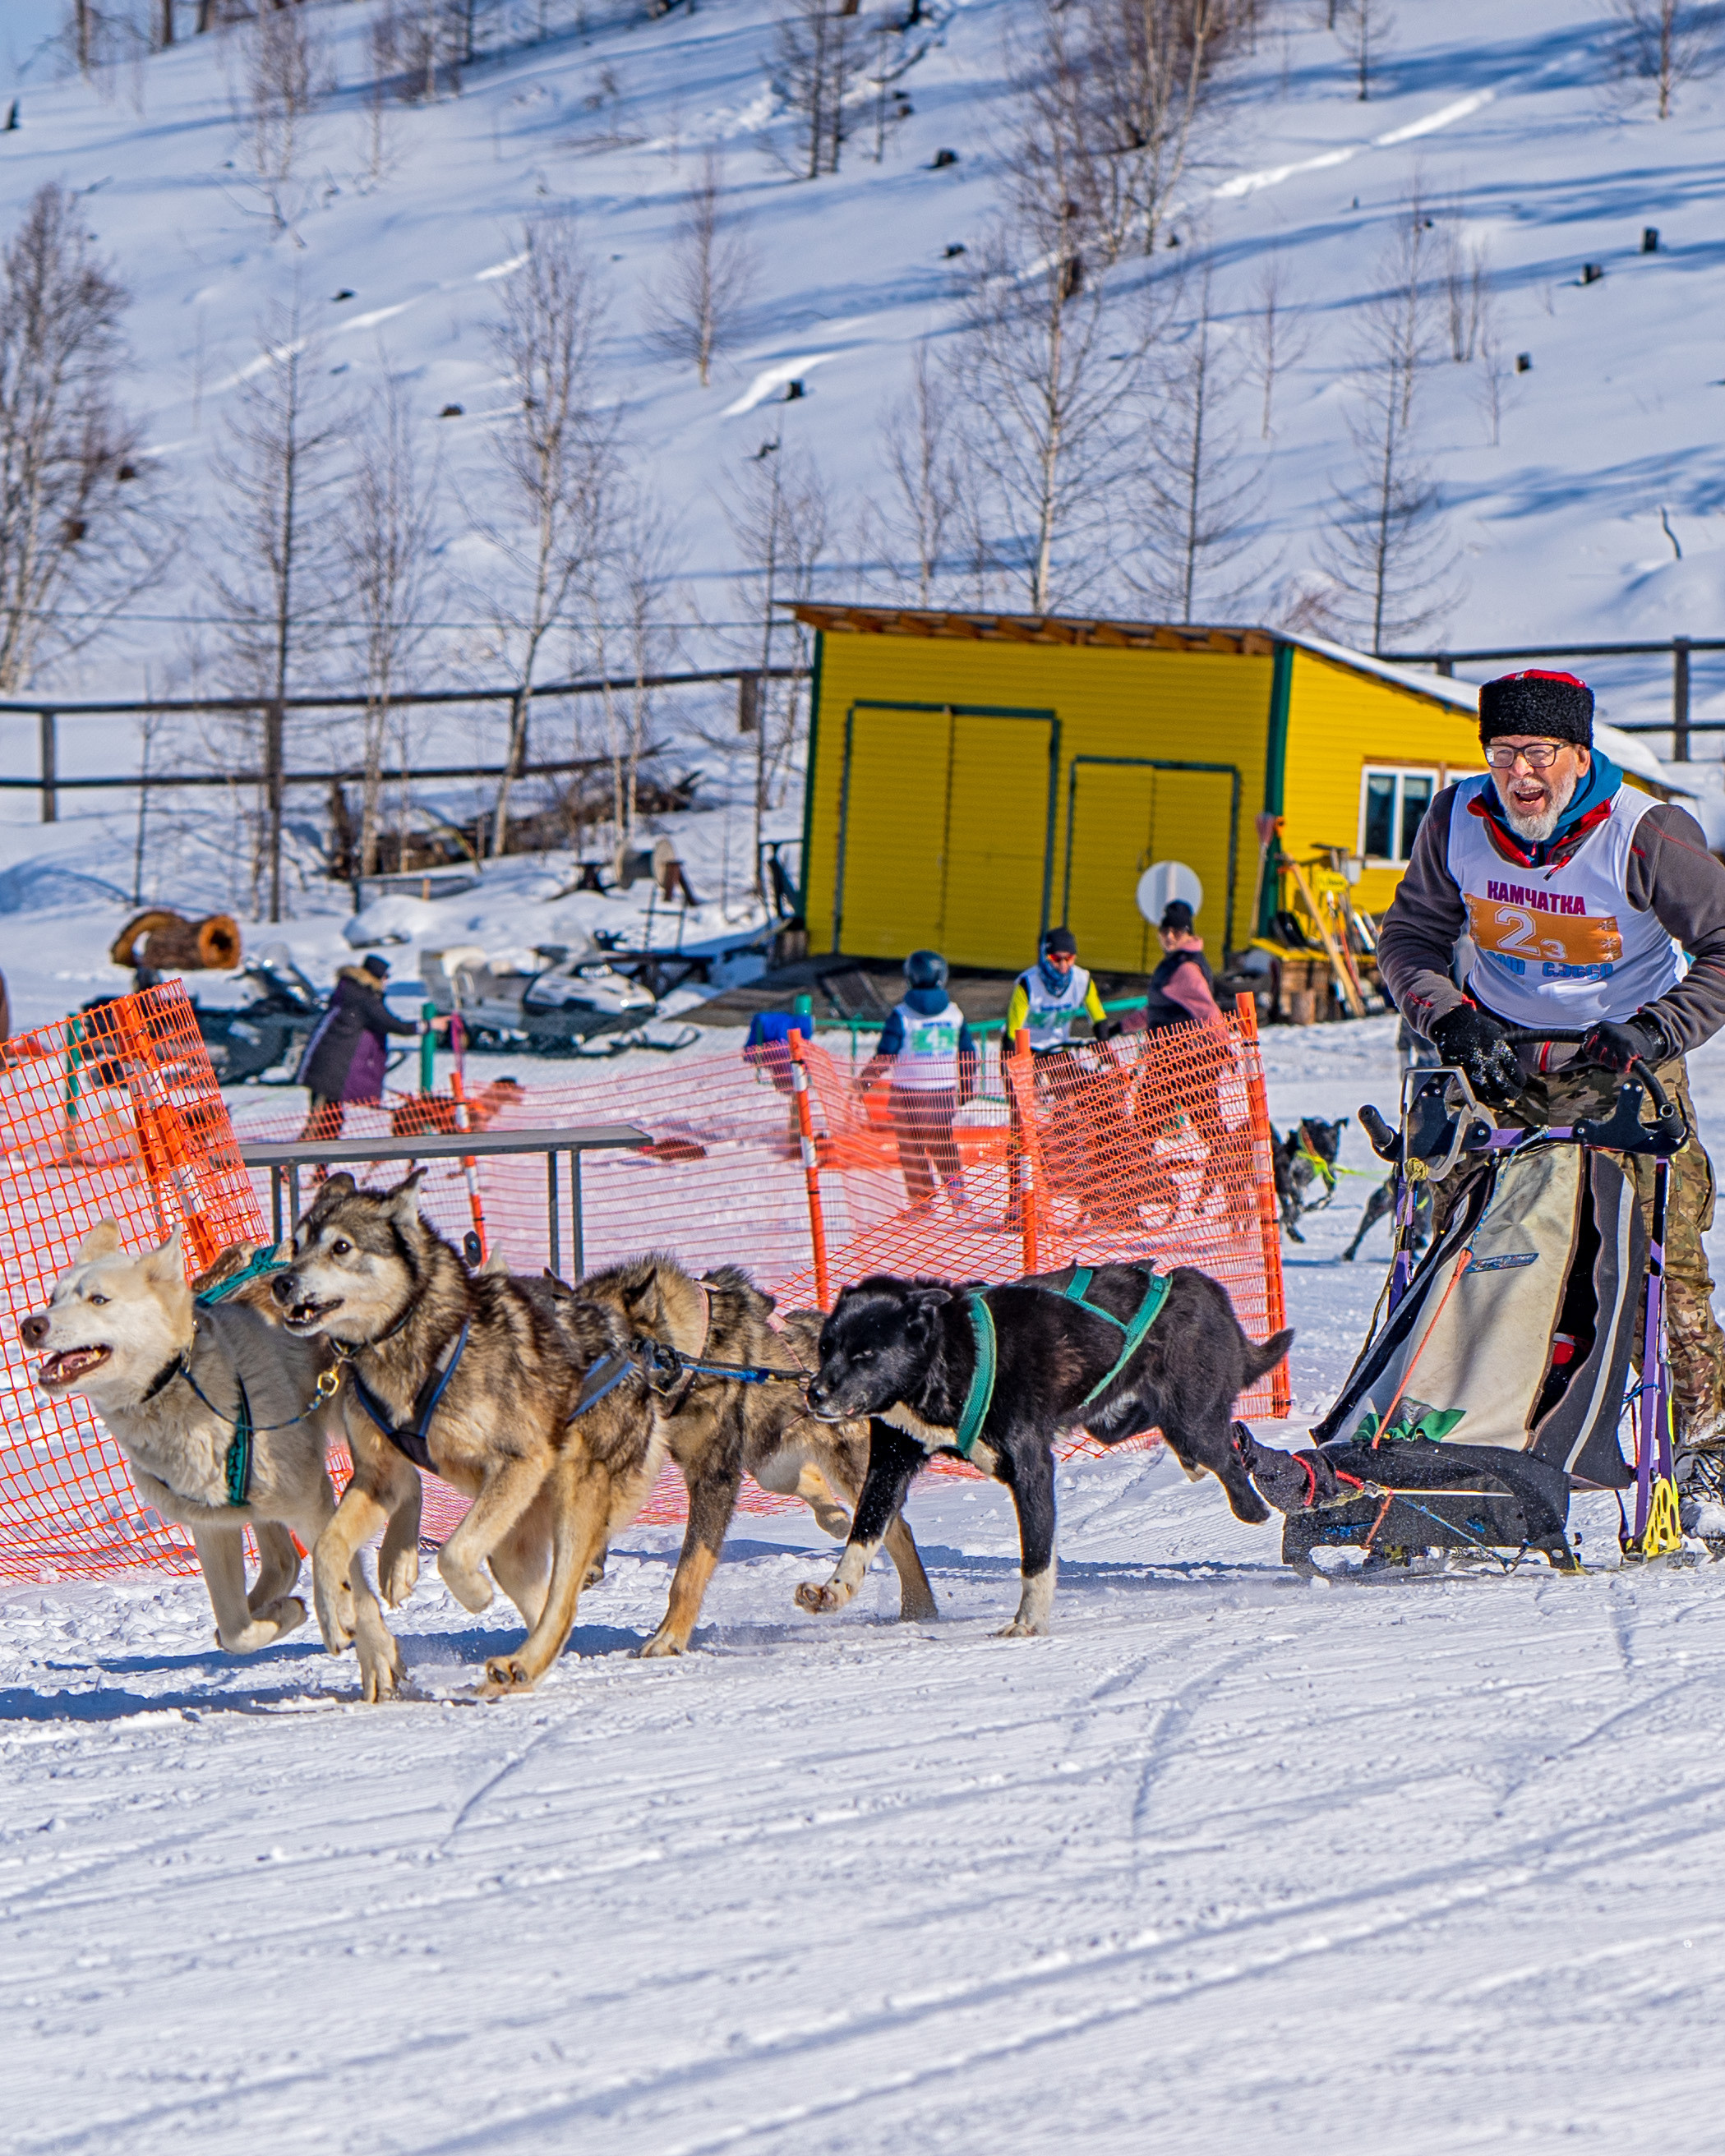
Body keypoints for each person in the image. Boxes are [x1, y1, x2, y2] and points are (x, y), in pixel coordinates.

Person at [1377, 666, 1725, 1476]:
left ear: (1576, 751)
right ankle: (1453, 1432)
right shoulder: (1454, 819)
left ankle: (1704, 1440)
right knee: (1467, 1251)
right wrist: (1448, 1016)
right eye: (1501, 753)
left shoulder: (1643, 831)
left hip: (1622, 1068)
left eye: (1536, 752)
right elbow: (1407, 940)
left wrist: (1651, 1030)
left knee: (1659, 1261)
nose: (1518, 775)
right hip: (1494, 1063)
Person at [856, 950, 978, 1210]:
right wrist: (967, 1085)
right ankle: (958, 1195)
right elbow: (968, 1052)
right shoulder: (954, 1014)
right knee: (943, 1144)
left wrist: (864, 1082)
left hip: (907, 1094)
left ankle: (922, 1201)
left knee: (912, 1148)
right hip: (942, 1093)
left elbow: (886, 1055)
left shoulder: (902, 1014)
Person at [297, 953, 438, 1141]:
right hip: (330, 1068)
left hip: (328, 1064)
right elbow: (393, 1024)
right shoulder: (364, 998)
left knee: (330, 1120)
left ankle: (319, 1165)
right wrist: (429, 1025)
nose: (387, 981)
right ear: (378, 977)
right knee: (323, 1121)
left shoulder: (352, 991)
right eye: (386, 976)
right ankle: (297, 1163)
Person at [1003, 926, 1108, 1051]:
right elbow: (1012, 1031)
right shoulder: (1028, 983)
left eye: (1069, 958)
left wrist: (1104, 1047)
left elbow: (1099, 1019)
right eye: (1056, 959)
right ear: (1046, 956)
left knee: (1078, 1070)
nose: (1063, 965)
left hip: (1060, 1048)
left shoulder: (1082, 980)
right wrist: (1009, 1060)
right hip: (1029, 1050)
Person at [1137, 901, 1225, 1033]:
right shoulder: (1172, 963)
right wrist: (1118, 1027)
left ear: (1188, 934)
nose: (1169, 936)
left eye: (1176, 932)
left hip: (1184, 1049)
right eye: (1164, 931)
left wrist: (1222, 1047)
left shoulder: (1186, 969)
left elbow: (1208, 1011)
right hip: (1166, 1048)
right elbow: (1158, 1009)